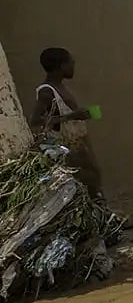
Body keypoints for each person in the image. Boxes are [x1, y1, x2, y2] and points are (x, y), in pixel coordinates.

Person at [28, 48, 103, 198]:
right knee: (88, 180)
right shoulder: (46, 92)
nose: (73, 65)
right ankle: (101, 217)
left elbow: (61, 114)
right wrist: (71, 116)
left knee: (93, 177)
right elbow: (35, 121)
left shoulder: (60, 87)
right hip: (66, 147)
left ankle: (104, 217)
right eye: (71, 62)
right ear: (62, 66)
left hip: (77, 143)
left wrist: (80, 115)